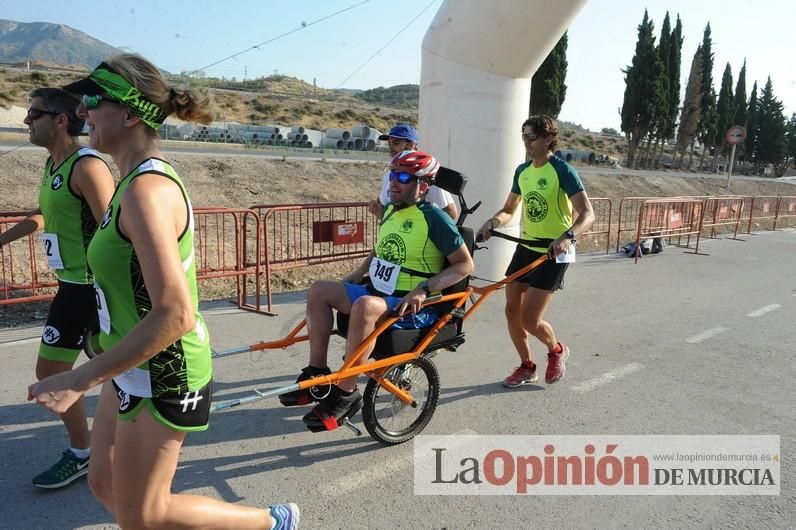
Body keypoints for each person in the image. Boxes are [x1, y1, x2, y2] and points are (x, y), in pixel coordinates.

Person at [28, 54, 298, 530]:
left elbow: (176, 313)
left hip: (164, 370)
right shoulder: (129, 180)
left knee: (145, 515)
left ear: (130, 113)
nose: (83, 112)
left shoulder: (147, 191)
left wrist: (78, 378)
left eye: (93, 100)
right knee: (103, 483)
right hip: (130, 364)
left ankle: (271, 522)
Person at [281, 150, 473, 431]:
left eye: (404, 177)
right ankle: (317, 376)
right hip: (379, 290)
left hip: (409, 303)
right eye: (393, 175)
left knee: (365, 307)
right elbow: (381, 249)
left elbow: (464, 265)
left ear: (423, 185)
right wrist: (359, 273)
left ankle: (346, 393)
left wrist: (423, 290)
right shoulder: (392, 211)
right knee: (319, 290)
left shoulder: (434, 219)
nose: (394, 182)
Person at [0, 88, 115, 488]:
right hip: (71, 284)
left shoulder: (87, 166)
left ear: (61, 120)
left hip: (91, 286)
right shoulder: (54, 165)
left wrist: (112, 289)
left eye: (34, 113)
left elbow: (114, 227)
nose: (27, 121)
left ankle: (88, 451)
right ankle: (95, 446)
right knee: (98, 366)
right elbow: (46, 215)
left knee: (55, 370)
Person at [476, 115, 594, 388]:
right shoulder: (523, 171)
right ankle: (527, 366)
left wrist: (568, 235)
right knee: (511, 311)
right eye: (524, 137)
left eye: (532, 137)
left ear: (549, 138)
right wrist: (493, 222)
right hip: (526, 248)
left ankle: (556, 350)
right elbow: (509, 210)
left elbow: (588, 214)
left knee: (530, 319)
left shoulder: (563, 171)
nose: (526, 143)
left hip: (554, 252)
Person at [368, 124, 458, 220]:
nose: (391, 148)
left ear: (411, 145)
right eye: (389, 144)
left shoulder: (427, 175)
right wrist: (378, 212)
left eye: (396, 143)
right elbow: (383, 210)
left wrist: (418, 224)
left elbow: (451, 213)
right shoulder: (388, 176)